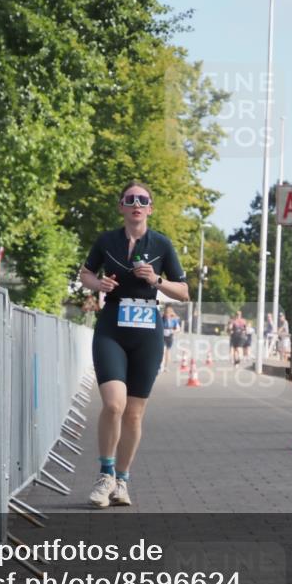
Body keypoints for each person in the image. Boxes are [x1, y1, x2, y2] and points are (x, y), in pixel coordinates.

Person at [78, 182, 189, 507]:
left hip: (147, 330)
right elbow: (85, 273)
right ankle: (105, 474)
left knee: (135, 415)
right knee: (114, 405)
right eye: (130, 199)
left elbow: (184, 292)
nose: (136, 204)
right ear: (122, 207)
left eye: (143, 200)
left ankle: (122, 481)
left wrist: (156, 280)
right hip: (112, 325)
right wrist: (98, 283)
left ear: (150, 208)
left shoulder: (162, 245)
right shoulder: (106, 240)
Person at [161, 305, 181, 371]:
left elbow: (178, 329)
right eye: (166, 312)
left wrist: (172, 331)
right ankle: (161, 366)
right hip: (162, 336)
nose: (167, 314)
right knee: (163, 350)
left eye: (169, 312)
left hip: (169, 336)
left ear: (171, 313)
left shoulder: (174, 320)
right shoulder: (162, 318)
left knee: (167, 352)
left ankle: (166, 367)